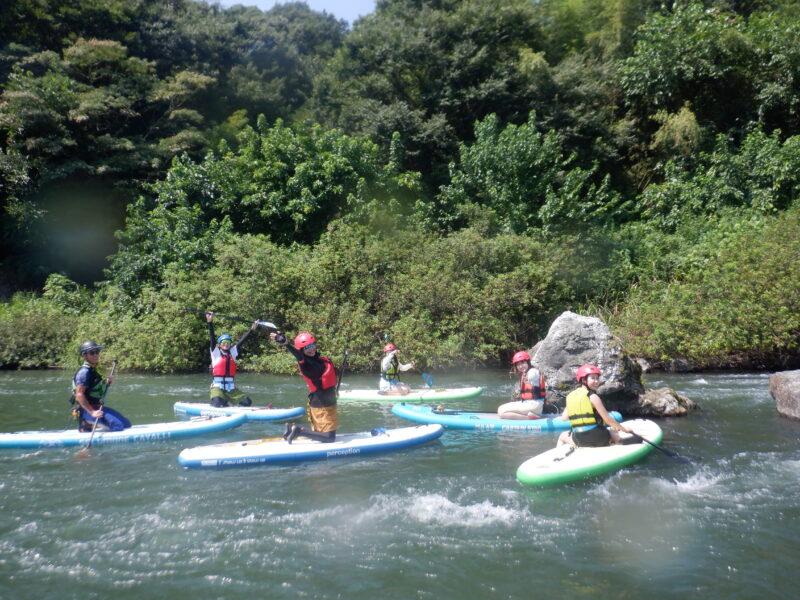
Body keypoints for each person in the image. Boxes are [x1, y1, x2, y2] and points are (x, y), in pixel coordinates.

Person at [270, 331, 338, 444]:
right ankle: (298, 431)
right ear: (302, 350)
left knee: (323, 434)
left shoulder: (318, 359)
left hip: (326, 402)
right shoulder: (306, 362)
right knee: (329, 438)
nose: (310, 349)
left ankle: (290, 428)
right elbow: (299, 356)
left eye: (312, 345)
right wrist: (286, 343)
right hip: (322, 405)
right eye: (306, 347)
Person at [557, 364, 632, 447]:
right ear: (584, 380)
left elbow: (564, 418)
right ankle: (617, 441)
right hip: (598, 437)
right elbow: (608, 420)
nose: (596, 381)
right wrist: (624, 429)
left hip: (579, 439)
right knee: (614, 433)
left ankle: (558, 455)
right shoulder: (593, 396)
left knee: (562, 436)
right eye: (593, 378)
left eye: (597, 378)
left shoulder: (570, 397)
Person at [71, 341, 130, 432]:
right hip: (87, 410)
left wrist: (107, 382)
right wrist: (92, 412)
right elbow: (79, 395)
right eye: (92, 353)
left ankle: (96, 423)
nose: (96, 355)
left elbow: (94, 386)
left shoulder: (93, 370)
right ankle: (85, 422)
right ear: (84, 356)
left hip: (97, 407)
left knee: (126, 424)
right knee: (118, 426)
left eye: (97, 352)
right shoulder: (84, 372)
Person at [207, 311, 258, 407]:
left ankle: (228, 403)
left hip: (231, 388)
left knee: (247, 402)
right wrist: (210, 322)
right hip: (217, 387)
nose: (226, 344)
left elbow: (242, 340)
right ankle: (220, 401)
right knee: (217, 403)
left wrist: (252, 329)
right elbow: (212, 338)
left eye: (228, 342)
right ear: (219, 344)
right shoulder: (216, 352)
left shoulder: (232, 352)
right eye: (223, 342)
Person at [497, 350, 556, 419]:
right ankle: (529, 415)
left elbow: (533, 376)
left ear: (528, 362)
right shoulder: (525, 373)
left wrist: (530, 378)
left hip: (534, 406)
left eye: (523, 363)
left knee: (502, 414)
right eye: (518, 364)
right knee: (500, 409)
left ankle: (530, 418)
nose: (521, 366)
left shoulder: (533, 371)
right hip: (526, 403)